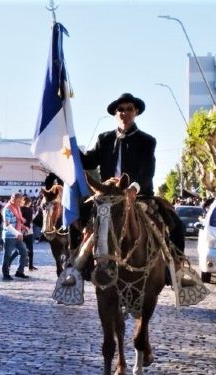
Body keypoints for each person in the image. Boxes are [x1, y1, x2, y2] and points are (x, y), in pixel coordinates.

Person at [75, 92, 189, 286]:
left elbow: (147, 172)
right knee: (77, 216)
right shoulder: (104, 139)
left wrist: (134, 188)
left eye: (128, 109)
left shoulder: (147, 141)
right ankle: (76, 266)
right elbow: (88, 161)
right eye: (120, 109)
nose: (124, 113)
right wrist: (69, 143)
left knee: (177, 224)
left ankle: (175, 269)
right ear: (115, 114)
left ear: (136, 112)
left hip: (140, 195)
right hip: (108, 196)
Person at [2, 192, 29, 280]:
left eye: (21, 201)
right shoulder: (8, 209)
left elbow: (18, 220)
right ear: (13, 199)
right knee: (7, 255)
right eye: (19, 201)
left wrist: (23, 227)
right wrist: (17, 233)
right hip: (9, 236)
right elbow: (7, 225)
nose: (20, 203)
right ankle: (5, 274)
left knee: (24, 252)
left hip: (17, 235)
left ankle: (19, 272)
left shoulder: (17, 207)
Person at [20, 194, 38, 270]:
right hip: (28, 231)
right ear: (28, 202)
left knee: (19, 250)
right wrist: (36, 213)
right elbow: (30, 220)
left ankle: (21, 264)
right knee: (30, 249)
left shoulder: (20, 209)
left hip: (20, 231)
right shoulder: (30, 210)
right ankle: (30, 265)